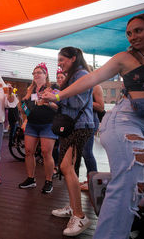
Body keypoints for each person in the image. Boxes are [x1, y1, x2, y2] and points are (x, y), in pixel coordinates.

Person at [42, 13, 144, 239]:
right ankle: (90, 214)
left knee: (140, 184)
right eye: (129, 33)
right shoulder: (124, 58)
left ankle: (100, 193)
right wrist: (58, 96)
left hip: (87, 126)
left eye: (138, 31)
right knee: (129, 178)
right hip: (125, 121)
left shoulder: (76, 72)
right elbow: (89, 82)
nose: (132, 37)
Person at [39, 47, 95, 237]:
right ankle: (73, 207)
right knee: (68, 167)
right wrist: (50, 100)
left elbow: (77, 103)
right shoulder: (73, 75)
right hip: (73, 125)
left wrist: (55, 96)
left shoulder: (81, 74)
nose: (60, 63)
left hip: (80, 126)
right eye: (58, 60)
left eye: (62, 59)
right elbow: (65, 107)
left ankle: (80, 216)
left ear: (73, 58)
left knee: (66, 167)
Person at [18, 63, 58, 194]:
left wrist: (48, 102)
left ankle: (48, 181)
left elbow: (59, 106)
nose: (36, 75)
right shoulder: (30, 89)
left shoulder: (53, 88)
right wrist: (23, 104)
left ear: (45, 74)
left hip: (48, 124)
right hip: (32, 124)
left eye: (39, 72)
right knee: (29, 151)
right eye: (34, 73)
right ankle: (31, 179)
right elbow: (24, 108)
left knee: (46, 152)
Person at [80, 83, 104, 191]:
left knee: (87, 152)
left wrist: (84, 100)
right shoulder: (77, 85)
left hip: (90, 120)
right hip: (79, 121)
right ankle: (90, 179)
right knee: (83, 152)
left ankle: (93, 182)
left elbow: (101, 107)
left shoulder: (96, 87)